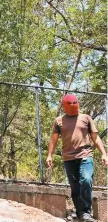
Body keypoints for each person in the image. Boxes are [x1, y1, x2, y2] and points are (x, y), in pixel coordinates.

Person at [46, 94, 107, 222]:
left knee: (85, 180)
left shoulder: (86, 118)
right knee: (75, 186)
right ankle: (80, 213)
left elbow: (95, 137)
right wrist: (49, 155)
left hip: (85, 155)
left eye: (75, 103)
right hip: (68, 158)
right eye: (70, 103)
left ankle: (85, 212)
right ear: (65, 105)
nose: (74, 105)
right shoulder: (59, 121)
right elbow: (54, 139)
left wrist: (104, 153)